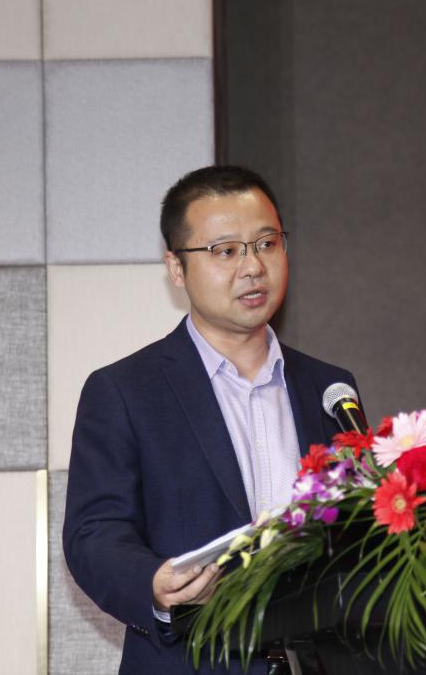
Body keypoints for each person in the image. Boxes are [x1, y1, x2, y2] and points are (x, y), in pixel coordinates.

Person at [62, 165, 359, 674]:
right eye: (225, 251)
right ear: (176, 268)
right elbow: (94, 533)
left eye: (267, 244)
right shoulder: (126, 391)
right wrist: (153, 583)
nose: (253, 267)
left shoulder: (329, 389)